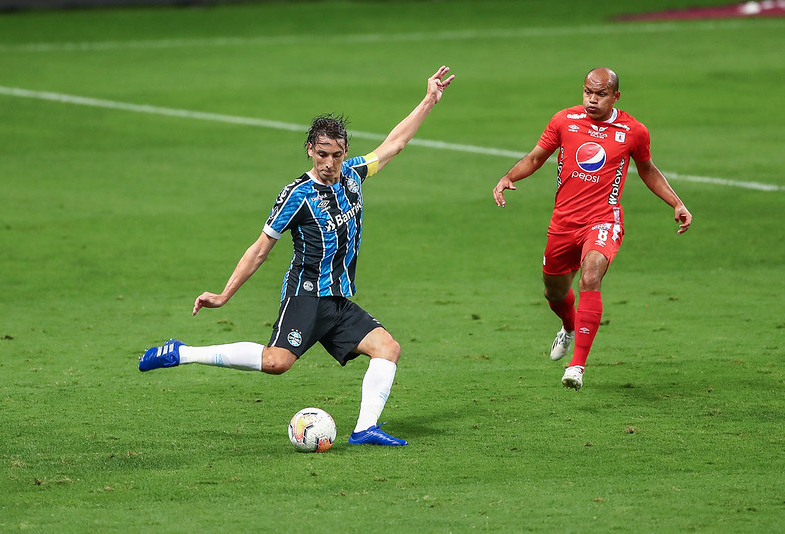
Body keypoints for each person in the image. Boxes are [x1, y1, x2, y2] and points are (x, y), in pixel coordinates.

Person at [140, 66, 455, 445]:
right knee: (277, 363)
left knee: (387, 348)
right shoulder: (296, 195)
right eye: (322, 154)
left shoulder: (354, 175)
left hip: (337, 299)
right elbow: (259, 250)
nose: (329, 163)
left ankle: (364, 429)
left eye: (337, 155)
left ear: (345, 153)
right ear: (310, 150)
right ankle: (183, 352)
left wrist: (428, 101)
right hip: (305, 294)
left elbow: (394, 144)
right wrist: (223, 295)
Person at [492, 67, 692, 391]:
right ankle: (569, 326)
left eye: (600, 94)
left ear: (615, 96)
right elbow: (535, 157)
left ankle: (577, 366)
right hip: (563, 222)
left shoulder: (633, 131)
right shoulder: (564, 121)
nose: (592, 100)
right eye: (587, 92)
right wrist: (508, 177)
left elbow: (648, 171)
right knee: (554, 292)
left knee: (590, 277)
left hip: (603, 219)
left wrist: (677, 203)